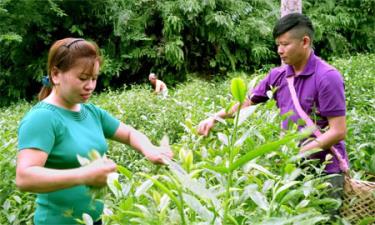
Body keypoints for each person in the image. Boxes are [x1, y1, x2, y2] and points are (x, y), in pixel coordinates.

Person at [16, 38, 173, 225]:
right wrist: (84, 175)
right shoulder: (43, 118)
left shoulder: (90, 112)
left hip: (94, 219)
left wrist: (149, 149)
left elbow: (130, 134)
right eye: (83, 78)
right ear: (56, 75)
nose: (90, 86)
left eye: (94, 78)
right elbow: (25, 177)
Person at [198, 13, 349, 203]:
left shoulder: (327, 77)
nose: (279, 50)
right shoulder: (277, 76)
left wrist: (299, 153)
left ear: (304, 41)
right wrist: (214, 117)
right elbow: (246, 102)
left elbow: (338, 131)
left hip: (325, 172)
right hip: (291, 171)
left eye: (285, 44)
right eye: (278, 44)